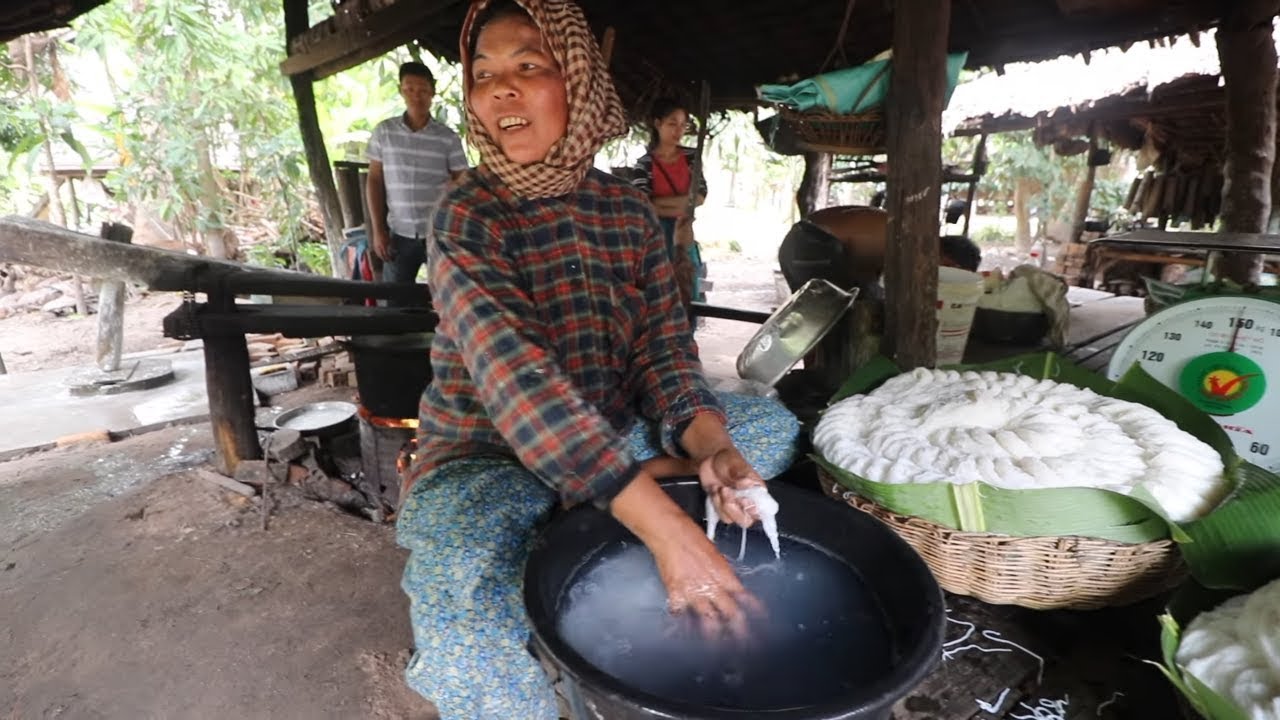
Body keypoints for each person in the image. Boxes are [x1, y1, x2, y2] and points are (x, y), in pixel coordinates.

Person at [394, 1, 800, 718]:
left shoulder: (627, 210)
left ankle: (621, 489)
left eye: (528, 65)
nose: (500, 89)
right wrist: (672, 535)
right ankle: (629, 496)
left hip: (611, 430)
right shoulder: (466, 213)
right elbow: (521, 386)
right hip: (489, 455)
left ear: (577, 85)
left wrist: (712, 446)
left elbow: (663, 347)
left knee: (769, 433)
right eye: (483, 74)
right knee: (462, 599)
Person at [365, 61, 469, 293]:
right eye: (409, 89)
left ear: (433, 92)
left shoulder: (447, 138)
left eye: (422, 90)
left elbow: (462, 182)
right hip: (398, 233)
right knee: (395, 299)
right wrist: (378, 230)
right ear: (400, 90)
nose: (416, 96)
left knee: (447, 297)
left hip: (439, 234)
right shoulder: (384, 132)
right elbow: (374, 180)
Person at [778, 204, 981, 296]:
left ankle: (818, 365)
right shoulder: (916, 245)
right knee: (830, 316)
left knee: (813, 320)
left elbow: (869, 277)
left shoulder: (913, 236)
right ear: (951, 264)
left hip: (799, 241)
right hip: (813, 244)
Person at [631, 98, 709, 309]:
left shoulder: (692, 157)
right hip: (654, 237)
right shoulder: (644, 164)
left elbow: (700, 196)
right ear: (658, 124)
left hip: (685, 233)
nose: (679, 130)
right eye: (672, 123)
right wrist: (685, 204)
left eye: (683, 125)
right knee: (657, 295)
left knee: (687, 292)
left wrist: (659, 205)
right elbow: (643, 205)